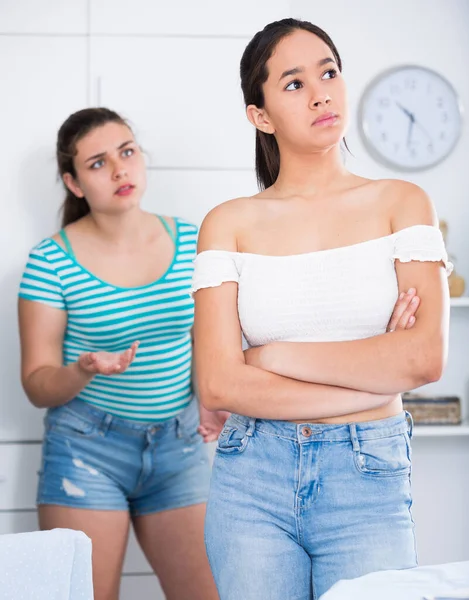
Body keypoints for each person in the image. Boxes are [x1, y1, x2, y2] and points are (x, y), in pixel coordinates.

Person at [192, 18, 452, 600]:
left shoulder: (403, 204)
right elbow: (217, 383)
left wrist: (271, 356)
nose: (321, 93)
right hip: (250, 477)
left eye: (329, 72)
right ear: (260, 116)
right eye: (293, 83)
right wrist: (374, 385)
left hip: (368, 477)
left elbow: (423, 358)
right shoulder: (228, 222)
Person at [18, 107, 220, 600]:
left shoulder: (196, 241)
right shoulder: (50, 262)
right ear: (74, 183)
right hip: (88, 451)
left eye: (127, 152)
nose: (119, 170)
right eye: (97, 163)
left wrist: (214, 395)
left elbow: (212, 339)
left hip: (180, 446)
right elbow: (37, 383)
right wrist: (83, 369)